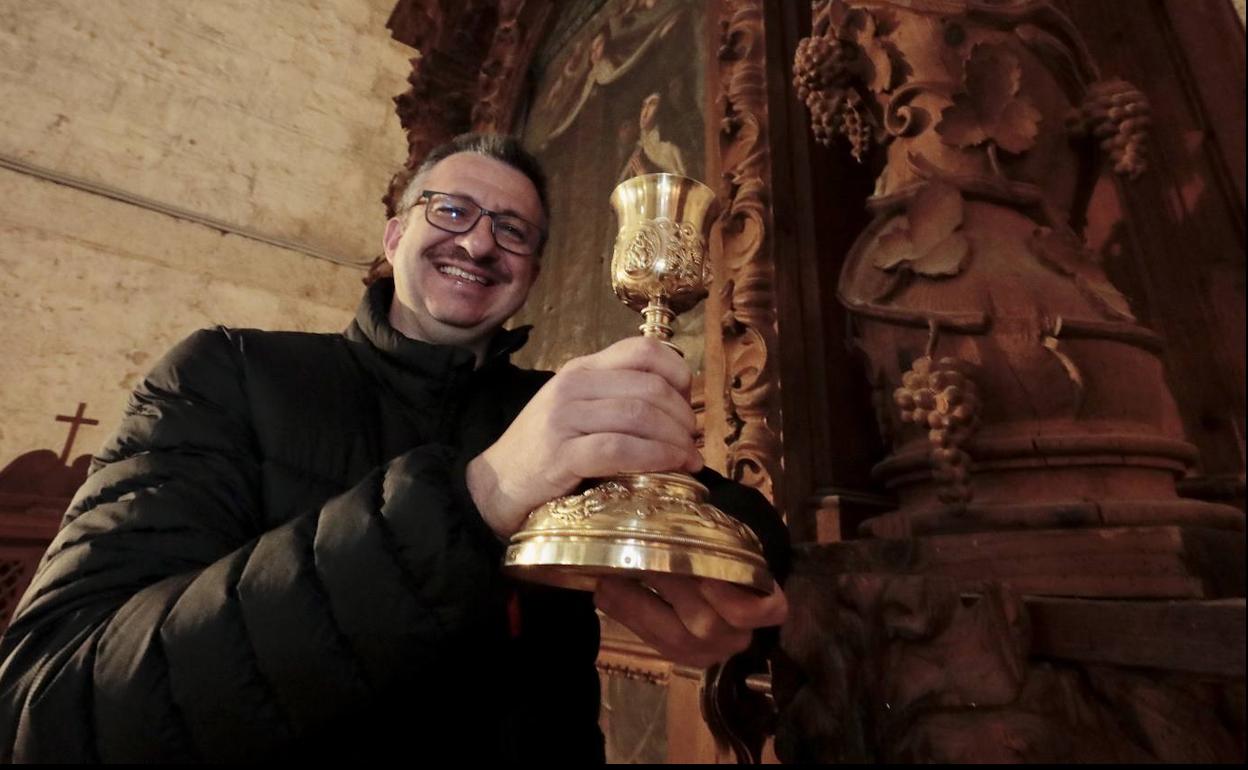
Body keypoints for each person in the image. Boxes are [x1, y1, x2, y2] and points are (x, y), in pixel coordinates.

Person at [0, 134, 788, 762]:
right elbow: (52, 707)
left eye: (512, 230)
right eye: (451, 211)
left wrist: (738, 589)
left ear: (533, 272)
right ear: (394, 232)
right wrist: (476, 496)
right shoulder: (227, 372)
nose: (480, 244)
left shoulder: (548, 406)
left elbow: (735, 526)